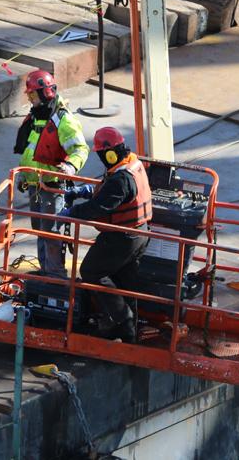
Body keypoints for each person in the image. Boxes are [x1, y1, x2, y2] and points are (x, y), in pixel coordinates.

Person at [60, 127, 152, 343]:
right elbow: (110, 191)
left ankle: (122, 319)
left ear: (110, 153)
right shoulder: (130, 164)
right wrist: (86, 191)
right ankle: (128, 333)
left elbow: (100, 207)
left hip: (122, 238)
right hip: (139, 234)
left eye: (102, 154)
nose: (102, 159)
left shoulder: (121, 178)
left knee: (91, 271)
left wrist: (71, 212)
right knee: (124, 280)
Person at [13, 70, 89, 277]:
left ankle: (55, 276)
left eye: (32, 95)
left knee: (52, 232)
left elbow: (80, 149)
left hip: (52, 186)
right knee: (40, 230)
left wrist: (71, 167)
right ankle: (46, 271)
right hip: (36, 185)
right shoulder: (37, 118)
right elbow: (31, 150)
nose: (29, 98)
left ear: (45, 93)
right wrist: (24, 177)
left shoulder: (63, 120)